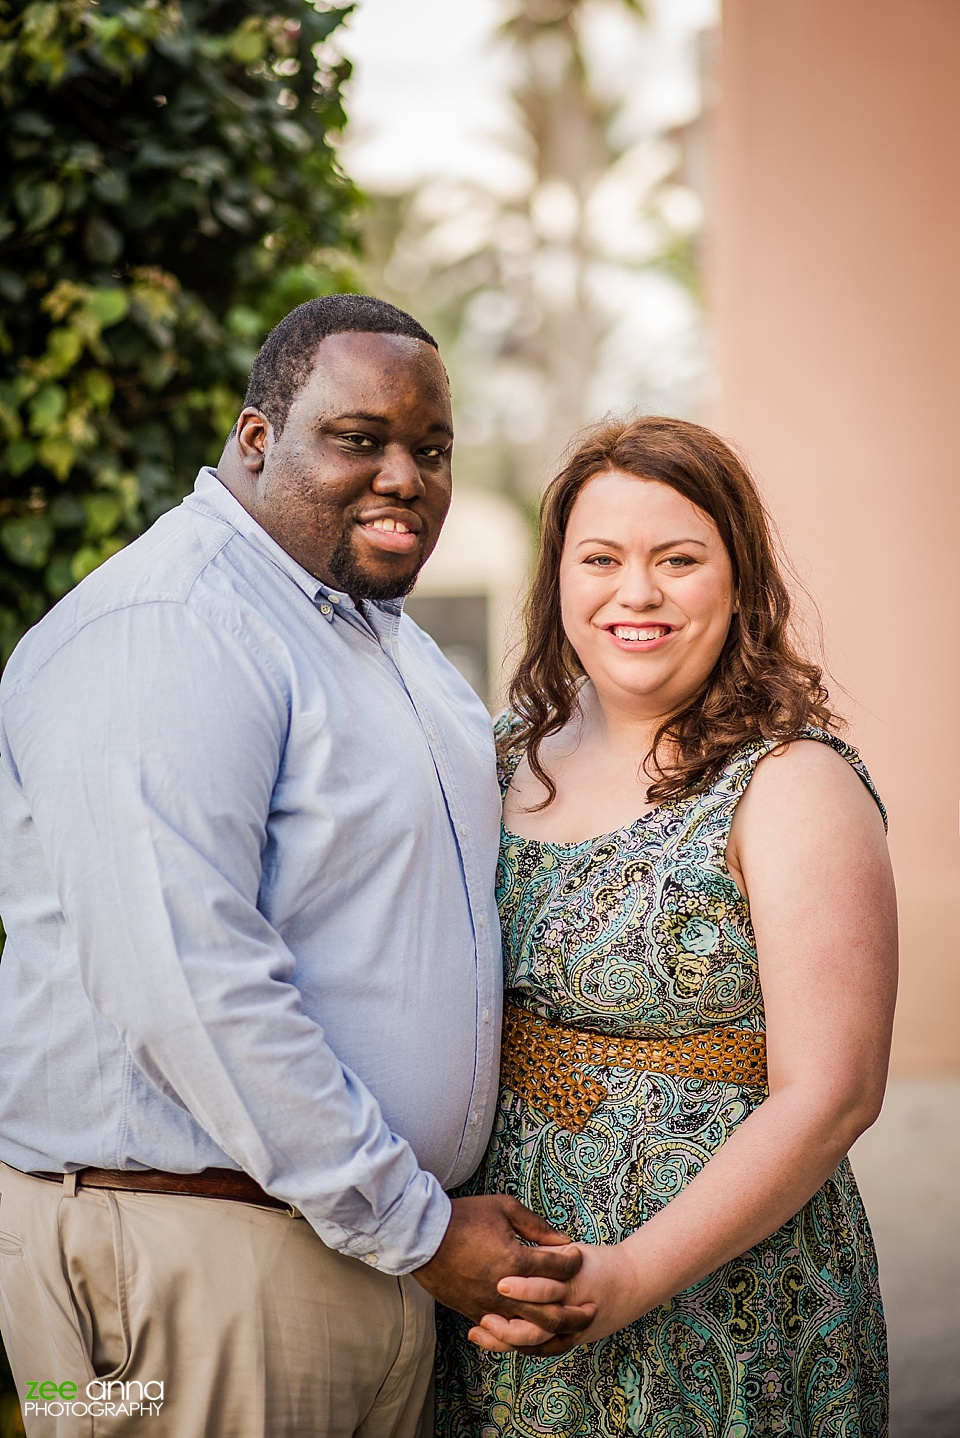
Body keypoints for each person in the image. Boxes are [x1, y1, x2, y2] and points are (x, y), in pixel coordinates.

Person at [0, 294, 589, 1438]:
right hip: (187, 1263)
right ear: (257, 437)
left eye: (431, 448)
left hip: (357, 1252)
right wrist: (417, 1227)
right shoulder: (172, 626)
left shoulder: (375, 640)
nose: (406, 476)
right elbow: (192, 986)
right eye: (360, 440)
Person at [435, 415, 897, 1437]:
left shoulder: (790, 782)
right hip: (500, 1306)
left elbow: (834, 1092)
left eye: (677, 559)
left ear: (738, 580)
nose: (634, 593)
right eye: (600, 558)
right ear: (560, 578)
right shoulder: (501, 754)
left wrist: (631, 1274)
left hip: (727, 1305)